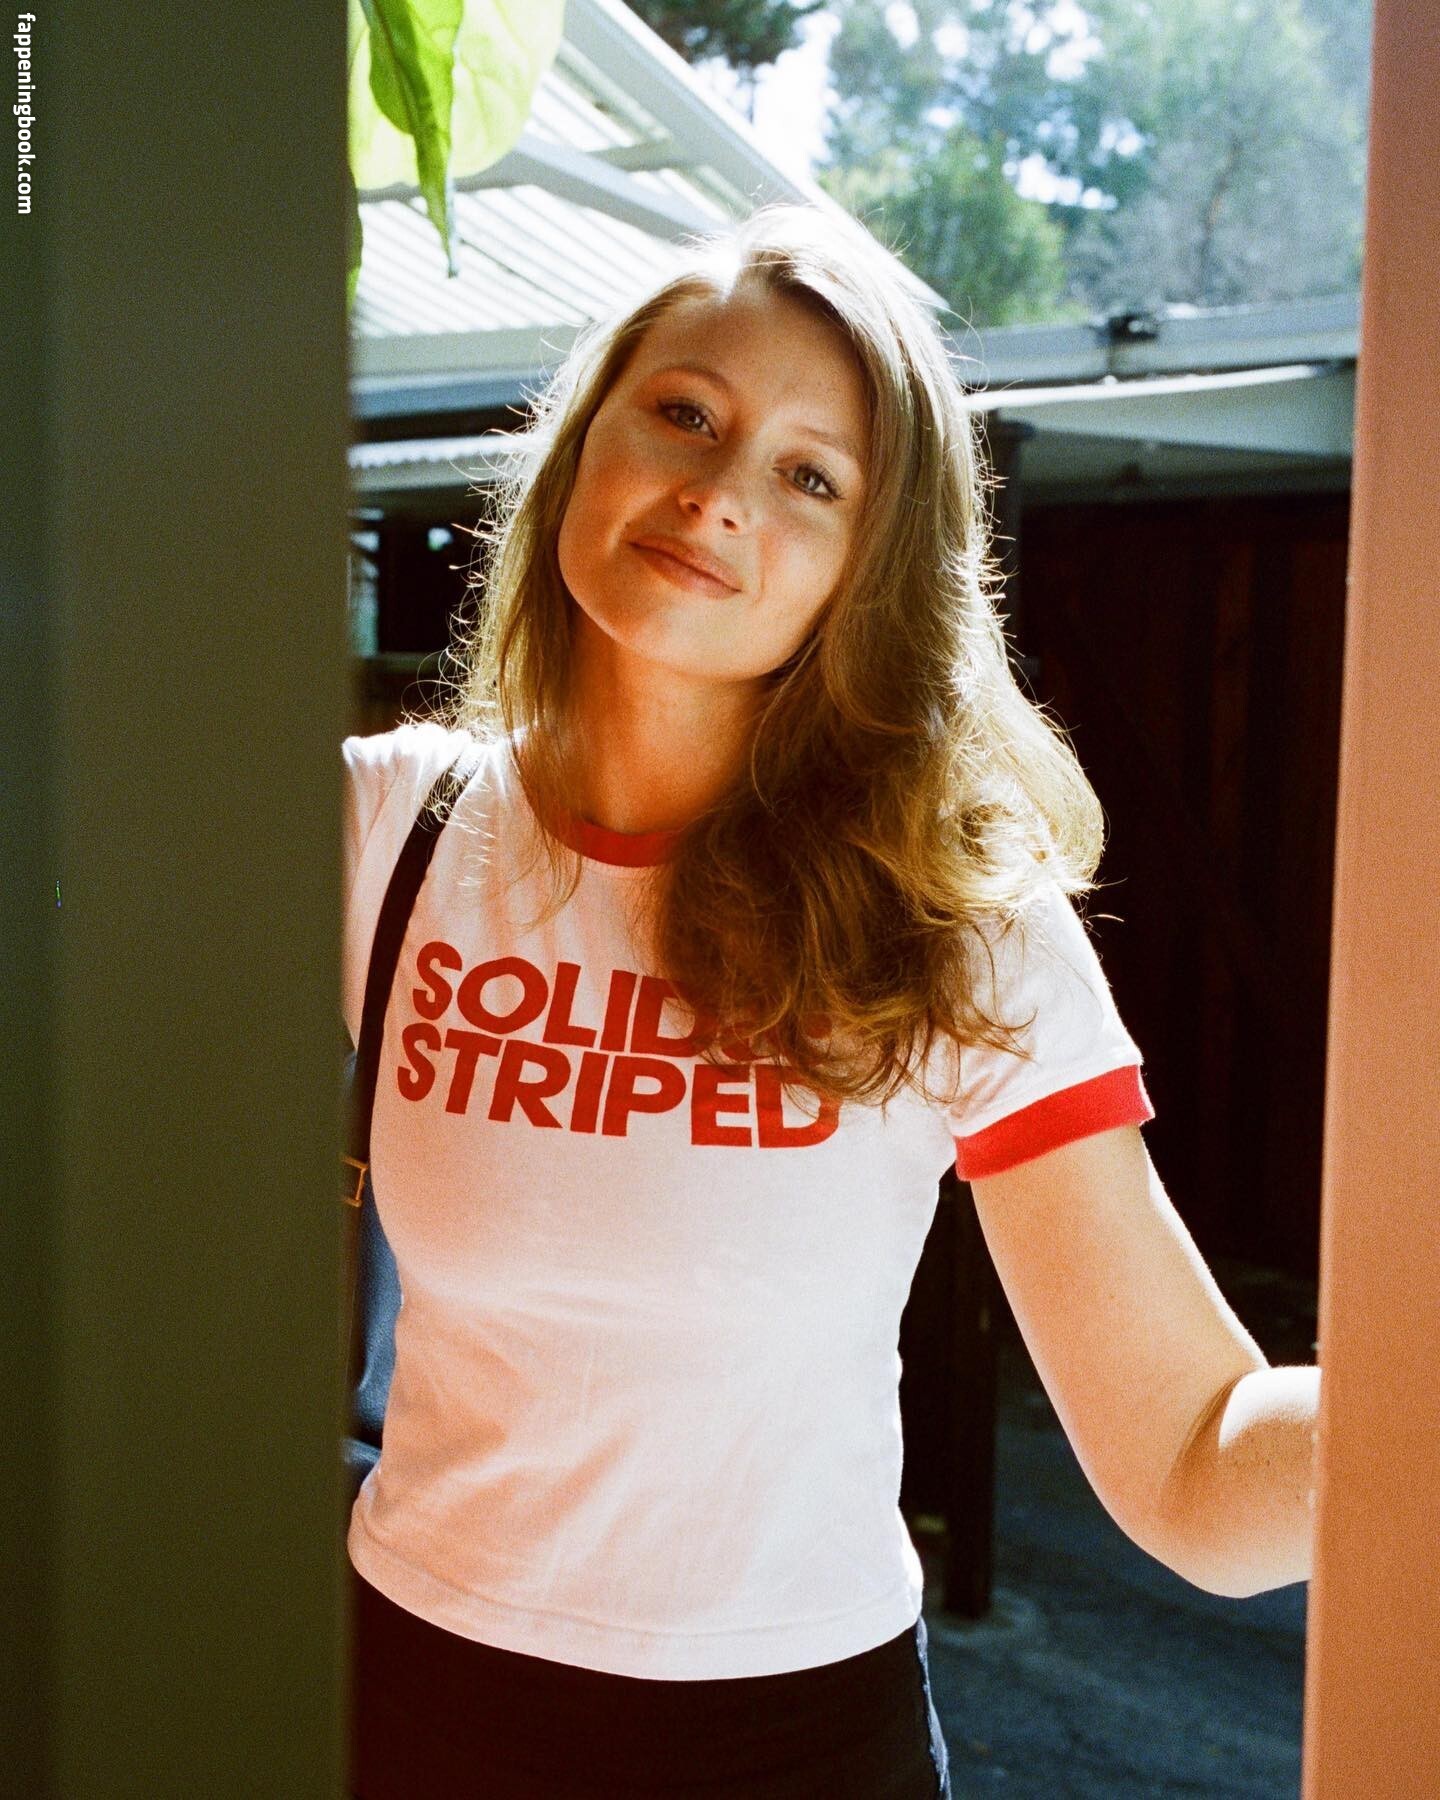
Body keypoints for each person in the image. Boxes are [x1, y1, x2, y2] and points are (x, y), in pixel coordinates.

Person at [340, 201, 1320, 1798]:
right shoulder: (387, 832)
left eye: (812, 478)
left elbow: (1190, 1460)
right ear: (582, 439)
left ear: (871, 570)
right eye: (686, 413)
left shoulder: (951, 923)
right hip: (401, 1692)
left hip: (787, 1737)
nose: (721, 493)